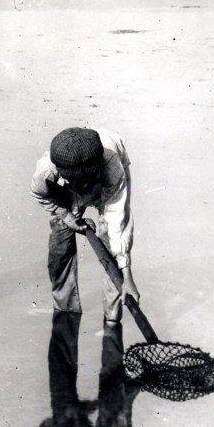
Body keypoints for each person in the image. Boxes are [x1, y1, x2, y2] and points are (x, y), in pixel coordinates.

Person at [30, 126, 139, 322]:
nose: (82, 189)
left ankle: (112, 319)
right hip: (67, 187)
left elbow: (118, 223)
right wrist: (66, 215)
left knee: (109, 237)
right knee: (60, 241)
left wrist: (127, 275)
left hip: (104, 183)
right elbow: (40, 193)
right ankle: (65, 312)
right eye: (75, 181)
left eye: (83, 182)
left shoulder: (113, 168)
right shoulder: (46, 169)